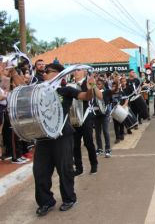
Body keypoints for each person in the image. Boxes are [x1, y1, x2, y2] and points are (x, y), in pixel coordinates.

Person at [33, 63, 96, 216]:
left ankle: (69, 198)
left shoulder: (65, 90)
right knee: (40, 171)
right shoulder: (38, 91)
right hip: (43, 137)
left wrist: (91, 86)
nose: (44, 74)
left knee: (65, 169)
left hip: (62, 135)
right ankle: (46, 201)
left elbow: (85, 96)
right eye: (44, 71)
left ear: (58, 74)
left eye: (48, 71)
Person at [72, 69, 102, 176]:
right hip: (74, 118)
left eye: (79, 70)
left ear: (84, 72)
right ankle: (79, 168)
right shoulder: (71, 84)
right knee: (75, 145)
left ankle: (94, 165)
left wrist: (93, 86)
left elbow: (100, 96)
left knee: (88, 142)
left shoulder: (88, 82)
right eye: (75, 70)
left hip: (86, 117)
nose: (76, 72)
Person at [93, 79, 112, 158]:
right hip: (96, 115)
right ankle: (99, 149)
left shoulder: (106, 92)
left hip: (104, 115)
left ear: (103, 85)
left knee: (105, 132)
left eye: (99, 84)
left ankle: (108, 150)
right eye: (96, 84)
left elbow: (109, 101)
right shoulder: (93, 93)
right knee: (97, 133)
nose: (98, 85)